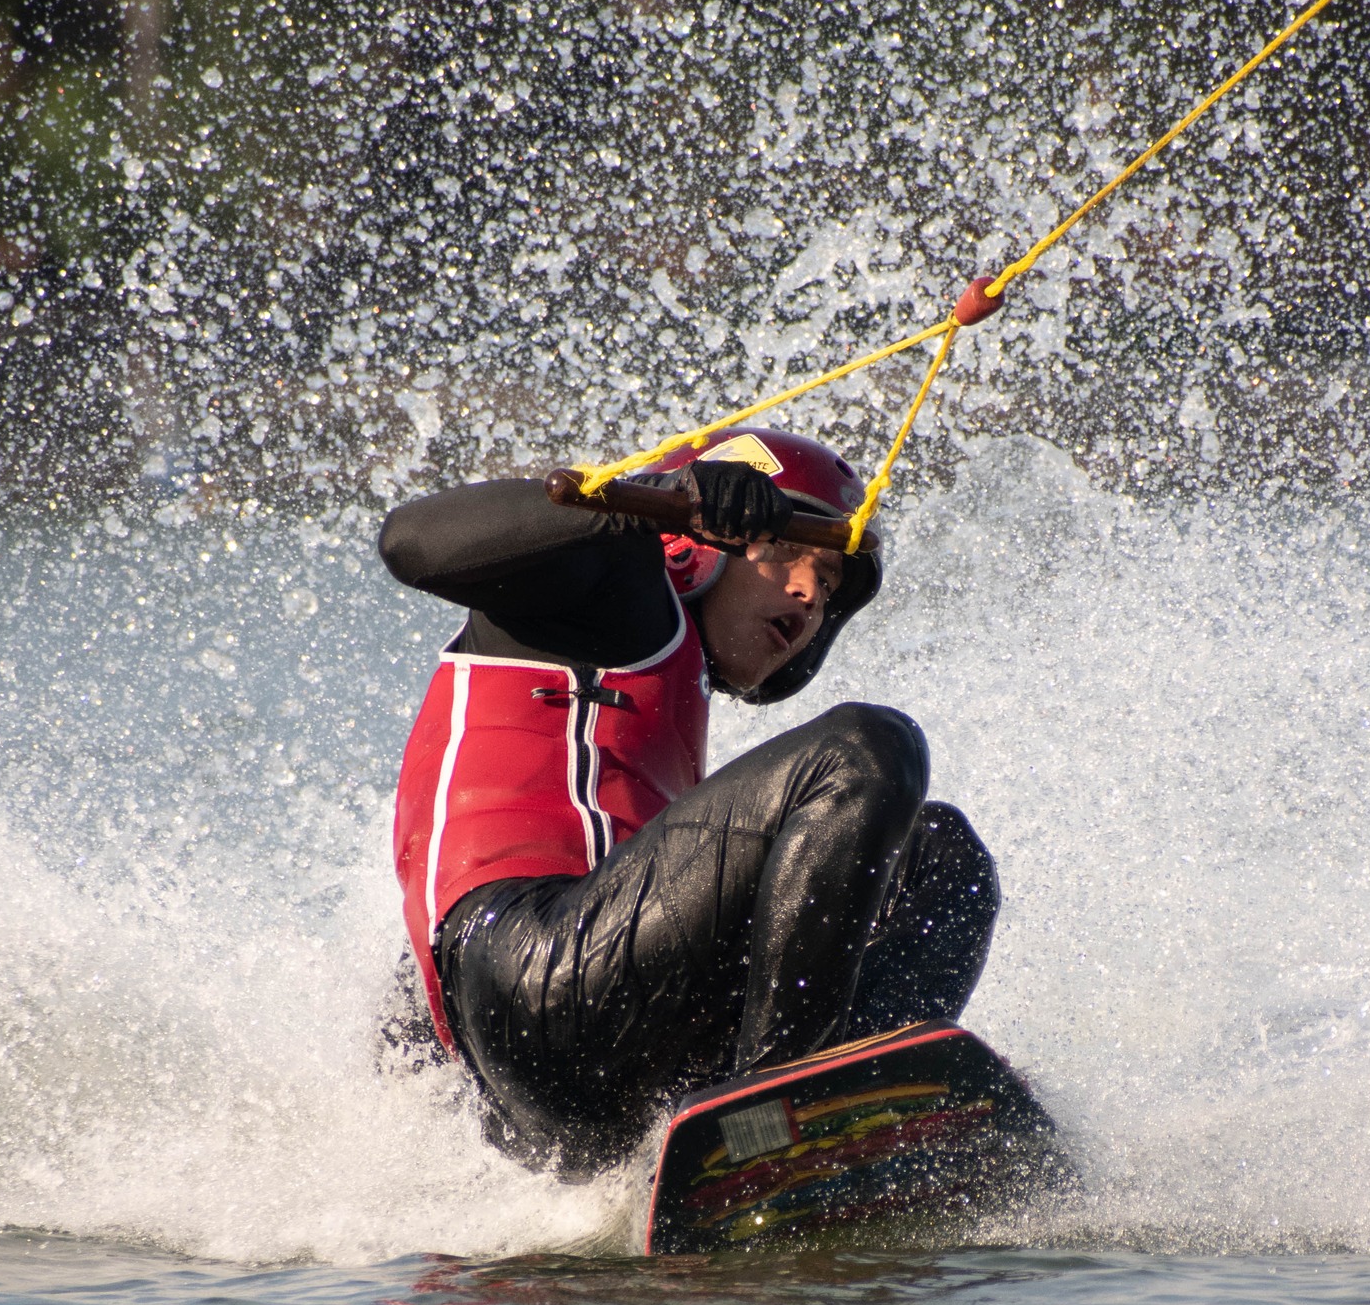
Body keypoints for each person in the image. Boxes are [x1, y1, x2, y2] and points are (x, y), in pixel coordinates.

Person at [377, 428, 998, 1171]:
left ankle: (850, 1108)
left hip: (557, 1075)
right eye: (789, 553)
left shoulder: (671, 702)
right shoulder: (611, 589)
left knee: (944, 859)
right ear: (697, 550)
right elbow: (409, 540)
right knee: (869, 748)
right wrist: (653, 513)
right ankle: (781, 1107)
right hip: (538, 980)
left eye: (829, 583)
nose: (808, 595)